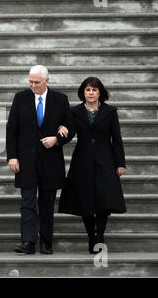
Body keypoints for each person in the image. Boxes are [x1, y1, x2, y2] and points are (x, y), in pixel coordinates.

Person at [6, 65, 74, 255]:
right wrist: (12, 156)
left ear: (47, 81)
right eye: (30, 82)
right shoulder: (21, 98)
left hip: (50, 161)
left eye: (37, 82)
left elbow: (71, 126)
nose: (33, 85)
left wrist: (57, 139)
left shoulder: (60, 99)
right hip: (26, 161)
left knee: (47, 203)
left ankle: (46, 242)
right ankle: (28, 241)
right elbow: (12, 129)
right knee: (27, 202)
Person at [58, 76, 126, 254]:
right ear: (83, 92)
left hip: (106, 160)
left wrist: (120, 163)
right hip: (83, 161)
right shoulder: (75, 112)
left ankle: (100, 236)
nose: (91, 93)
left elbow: (117, 139)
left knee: (104, 200)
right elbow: (69, 133)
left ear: (100, 93)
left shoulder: (110, 112)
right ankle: (91, 235)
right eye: (88, 90)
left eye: (94, 90)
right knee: (85, 199)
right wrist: (60, 130)